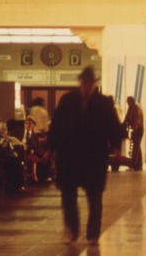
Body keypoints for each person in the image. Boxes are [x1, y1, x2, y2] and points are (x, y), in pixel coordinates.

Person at [47, 66, 122, 246]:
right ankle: (72, 230)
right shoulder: (67, 100)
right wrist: (51, 147)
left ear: (94, 84)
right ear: (80, 82)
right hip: (69, 154)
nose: (86, 86)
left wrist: (117, 147)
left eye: (90, 83)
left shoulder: (104, 102)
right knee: (68, 194)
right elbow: (56, 125)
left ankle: (93, 234)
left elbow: (113, 126)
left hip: (94, 155)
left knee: (94, 195)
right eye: (84, 82)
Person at [123, 96, 145, 171]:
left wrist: (134, 129)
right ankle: (139, 165)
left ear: (131, 101)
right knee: (137, 146)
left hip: (138, 130)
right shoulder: (131, 108)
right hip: (135, 129)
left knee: (136, 147)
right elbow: (127, 118)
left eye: (128, 101)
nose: (127, 103)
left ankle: (133, 165)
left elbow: (137, 119)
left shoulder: (136, 107)